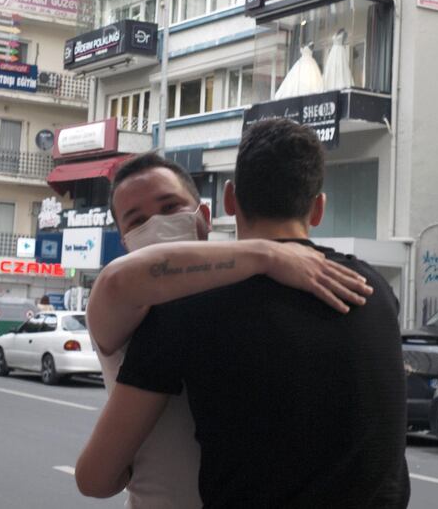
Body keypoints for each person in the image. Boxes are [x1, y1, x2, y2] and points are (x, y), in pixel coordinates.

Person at [77, 120, 410, 507]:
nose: (158, 225)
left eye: (170, 208)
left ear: (226, 202)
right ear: (318, 208)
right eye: (137, 220)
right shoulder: (374, 291)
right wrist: (269, 255)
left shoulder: (185, 309)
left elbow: (95, 476)